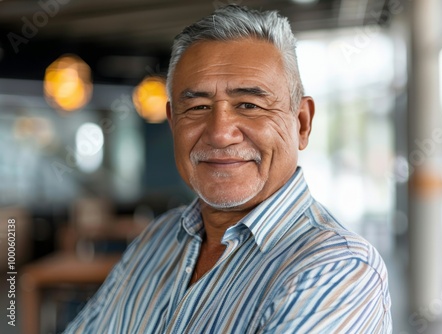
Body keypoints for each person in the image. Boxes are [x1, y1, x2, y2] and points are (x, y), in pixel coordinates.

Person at [64, 5, 391, 333]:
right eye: (197, 107)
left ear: (302, 123)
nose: (220, 133)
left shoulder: (337, 270)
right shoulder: (156, 239)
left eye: (249, 105)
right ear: (173, 123)